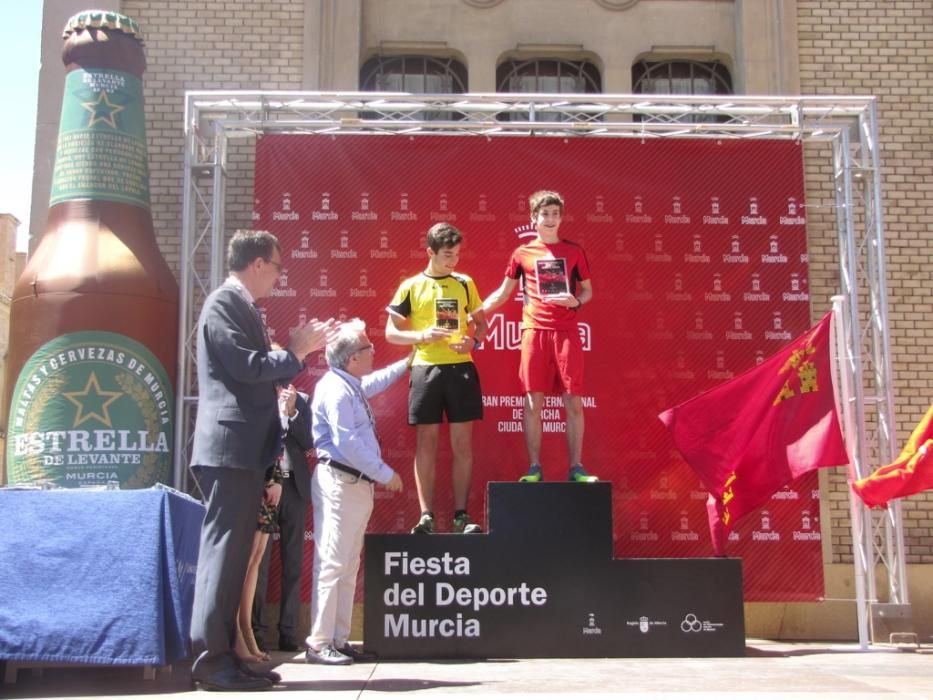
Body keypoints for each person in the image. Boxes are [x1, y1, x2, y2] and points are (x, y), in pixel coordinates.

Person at [189, 229, 335, 692]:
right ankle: (211, 662)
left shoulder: (243, 307)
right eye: (276, 266)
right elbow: (245, 366)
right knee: (225, 555)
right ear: (256, 263)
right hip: (230, 449)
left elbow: (254, 365)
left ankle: (231, 651)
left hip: (245, 450)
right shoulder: (224, 303)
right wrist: (294, 351)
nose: (278, 276)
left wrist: (290, 352)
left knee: (236, 560)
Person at [305, 319, 407, 665]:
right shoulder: (335, 389)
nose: (373, 350)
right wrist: (384, 473)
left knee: (348, 565)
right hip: (340, 480)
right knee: (333, 563)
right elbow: (346, 440)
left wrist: (407, 363)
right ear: (352, 359)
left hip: (354, 483)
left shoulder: (350, 385)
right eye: (367, 348)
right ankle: (319, 643)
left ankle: (339, 638)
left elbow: (375, 382)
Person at [479, 191, 597, 483]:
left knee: (574, 401)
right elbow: (504, 292)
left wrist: (576, 302)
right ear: (534, 218)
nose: (550, 219)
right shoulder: (522, 253)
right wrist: (477, 311)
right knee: (533, 401)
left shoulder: (574, 251)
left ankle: (577, 468)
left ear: (561, 217)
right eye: (545, 213)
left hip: (567, 331)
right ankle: (534, 468)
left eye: (555, 213)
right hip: (534, 332)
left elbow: (588, 290)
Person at [385, 223, 487, 535]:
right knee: (426, 444)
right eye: (446, 255)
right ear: (430, 252)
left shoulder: (464, 283)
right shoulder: (411, 286)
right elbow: (391, 332)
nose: (453, 261)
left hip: (461, 369)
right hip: (425, 369)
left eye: (456, 254)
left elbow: (481, 325)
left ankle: (461, 516)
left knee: (462, 445)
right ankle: (425, 517)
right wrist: (423, 335)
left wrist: (474, 342)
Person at [252, 383, 313, 653]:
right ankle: (255, 630)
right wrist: (277, 413)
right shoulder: (257, 397)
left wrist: (291, 413)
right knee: (259, 563)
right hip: (265, 486)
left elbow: (309, 441)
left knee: (293, 564)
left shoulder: (302, 400)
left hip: (295, 488)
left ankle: (289, 631)